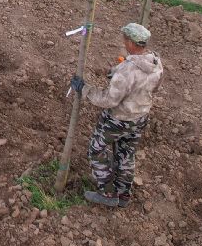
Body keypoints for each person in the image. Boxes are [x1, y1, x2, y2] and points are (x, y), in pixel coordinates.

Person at [70, 23, 164, 208]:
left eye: (125, 39)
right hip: (140, 117)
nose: (123, 42)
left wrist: (85, 89)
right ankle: (123, 195)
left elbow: (109, 100)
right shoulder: (155, 62)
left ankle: (107, 192)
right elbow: (156, 86)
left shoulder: (127, 70)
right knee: (126, 154)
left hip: (118, 120)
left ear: (130, 42)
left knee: (96, 150)